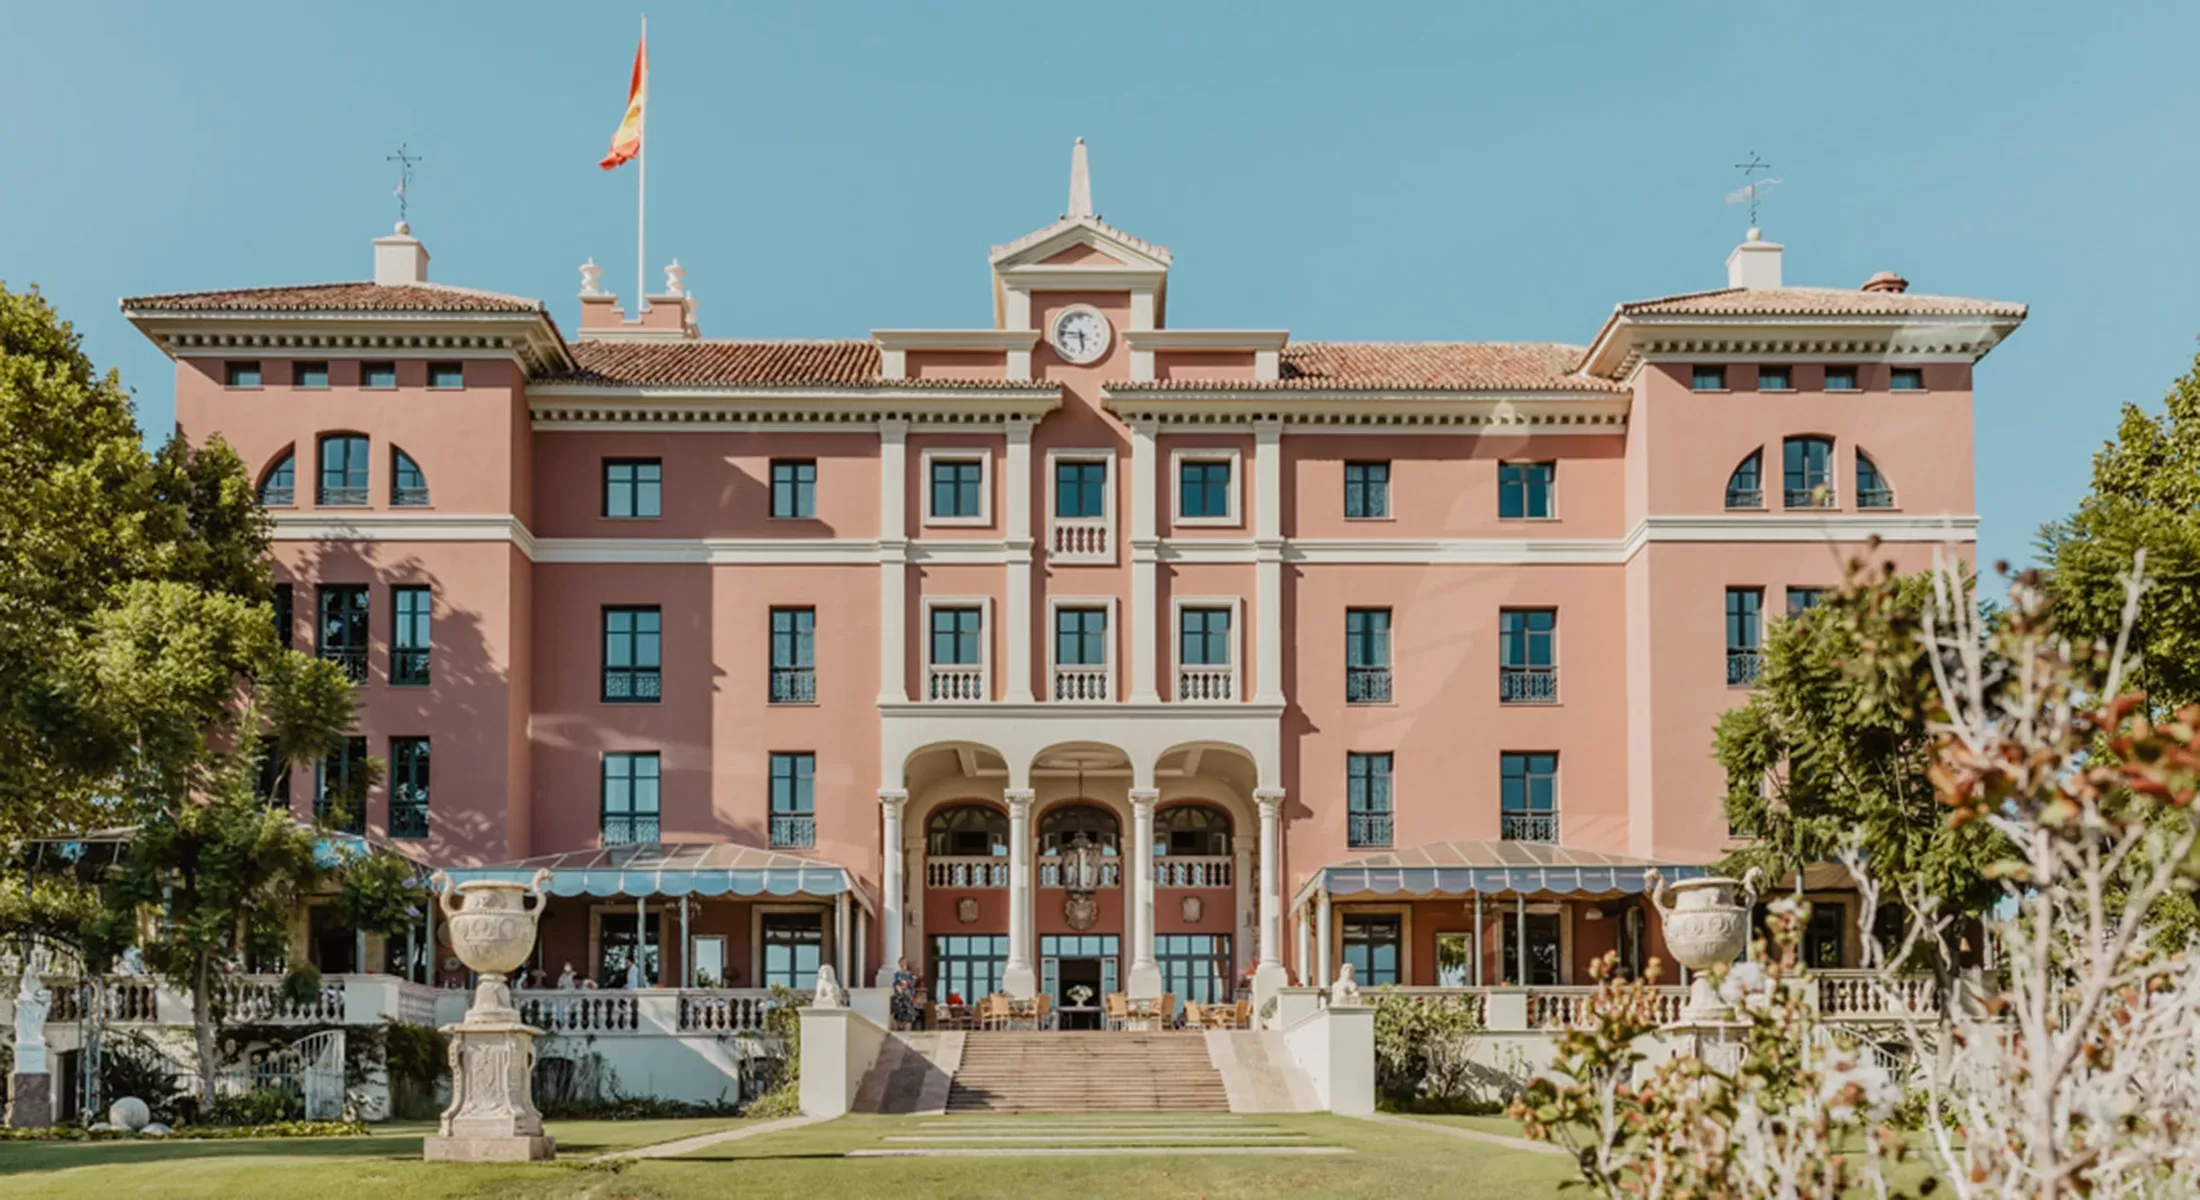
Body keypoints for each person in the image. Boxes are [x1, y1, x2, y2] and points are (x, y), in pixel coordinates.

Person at [890, 957, 922, 1029]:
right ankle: (899, 1024)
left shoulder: (909, 974)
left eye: (904, 963)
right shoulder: (897, 974)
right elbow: (895, 984)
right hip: (899, 995)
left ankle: (905, 1025)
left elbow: (911, 985)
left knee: (907, 1008)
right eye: (901, 963)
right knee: (898, 1007)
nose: (902, 964)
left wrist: (911, 994)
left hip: (907, 995)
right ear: (899, 964)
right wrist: (898, 987)